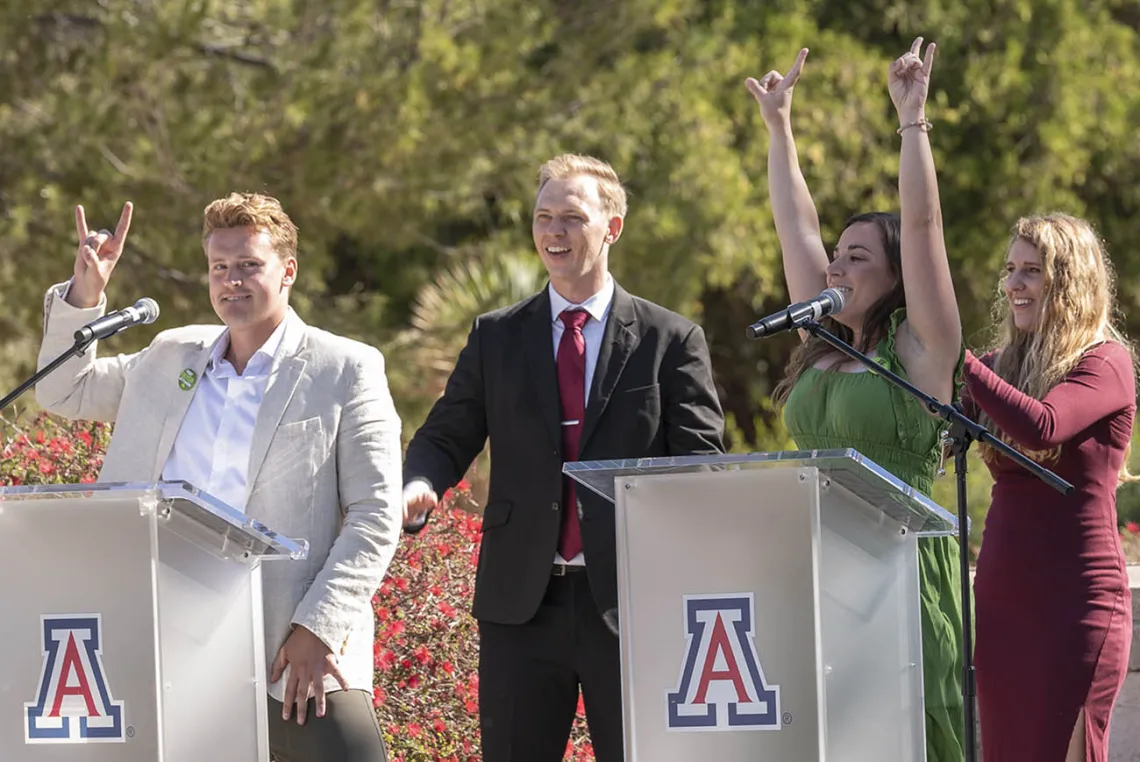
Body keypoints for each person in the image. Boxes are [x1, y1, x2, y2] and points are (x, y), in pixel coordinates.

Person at [35, 193, 401, 762]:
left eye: (250, 266)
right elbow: (63, 389)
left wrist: (318, 628)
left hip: (292, 650)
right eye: (220, 268)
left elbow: (376, 516)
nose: (233, 281)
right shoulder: (169, 354)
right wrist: (86, 296)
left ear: (288, 271)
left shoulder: (346, 368)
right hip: (166, 641)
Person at [401, 153, 726, 761]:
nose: (553, 231)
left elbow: (701, 471)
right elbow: (446, 435)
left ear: (613, 227)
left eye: (572, 218)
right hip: (521, 605)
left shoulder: (670, 340)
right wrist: (418, 482)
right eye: (543, 216)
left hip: (631, 604)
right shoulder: (496, 336)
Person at [747, 39, 966, 760]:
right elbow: (797, 227)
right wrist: (780, 128)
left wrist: (912, 120)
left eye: (857, 258)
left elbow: (926, 229)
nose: (835, 266)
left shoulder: (919, 349)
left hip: (897, 567)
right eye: (836, 256)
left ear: (897, 276)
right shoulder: (824, 346)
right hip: (818, 566)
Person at [963, 213, 1135, 761]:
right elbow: (939, 436)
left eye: (1032, 270)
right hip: (1002, 602)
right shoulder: (996, 368)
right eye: (1010, 269)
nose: (1013, 284)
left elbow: (1043, 425)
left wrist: (957, 362)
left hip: (1076, 604)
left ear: (1069, 281)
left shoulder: (1107, 363)